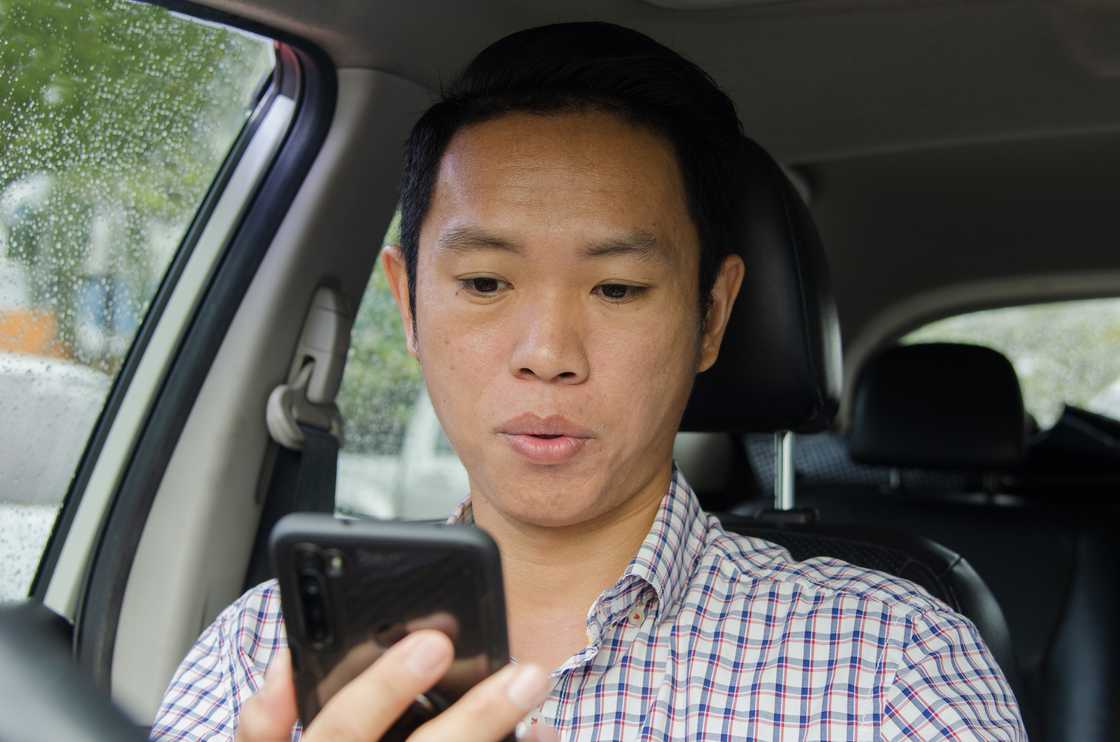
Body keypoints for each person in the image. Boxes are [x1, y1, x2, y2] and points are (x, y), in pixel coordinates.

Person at [151, 22, 1026, 741]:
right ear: (408, 309)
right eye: (486, 283)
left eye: (618, 288)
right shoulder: (264, 650)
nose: (547, 351)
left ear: (711, 317)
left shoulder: (891, 663)